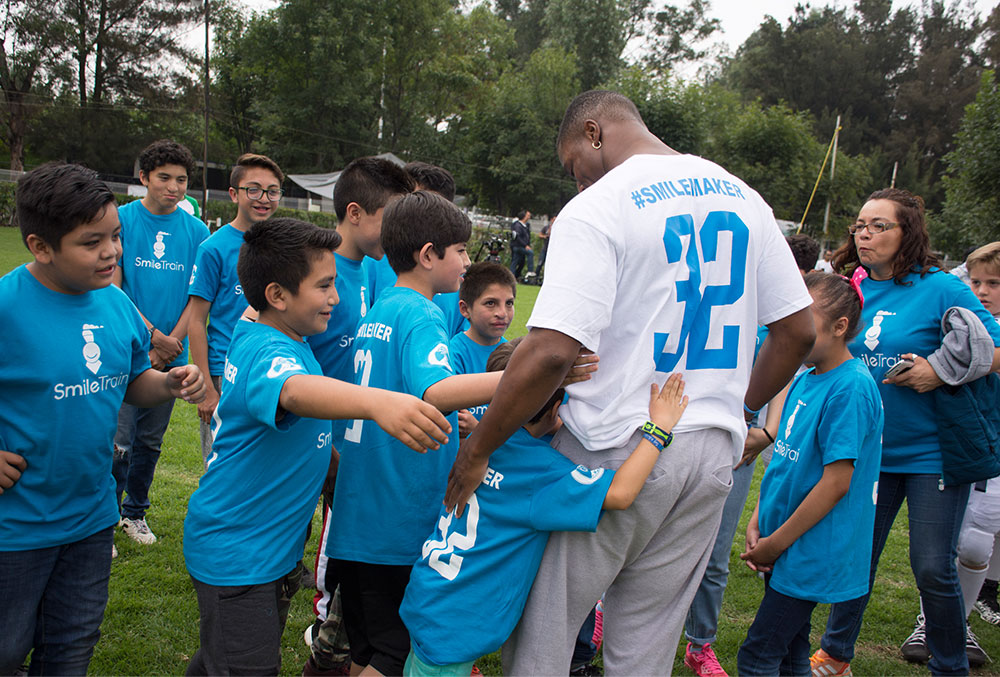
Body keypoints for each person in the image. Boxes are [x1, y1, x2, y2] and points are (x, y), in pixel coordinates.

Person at [444, 90, 816, 676]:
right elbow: (797, 332)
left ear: (594, 132)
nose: (576, 183)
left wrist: (479, 448)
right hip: (709, 450)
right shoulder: (745, 197)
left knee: (546, 627)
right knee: (645, 642)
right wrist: (732, 411)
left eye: (573, 165)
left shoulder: (601, 206)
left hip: (613, 444)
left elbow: (548, 351)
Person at [325, 191, 595, 675]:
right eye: (462, 252)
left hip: (358, 517)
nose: (468, 262)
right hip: (395, 521)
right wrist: (530, 377)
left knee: (367, 649)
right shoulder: (421, 313)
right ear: (429, 255)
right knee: (391, 657)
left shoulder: (381, 307)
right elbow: (437, 390)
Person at [182, 217, 452, 676]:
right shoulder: (266, 350)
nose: (336, 297)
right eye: (324, 286)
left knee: (218, 660)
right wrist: (379, 403)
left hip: (269, 553)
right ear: (278, 295)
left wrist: (336, 470)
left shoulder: (294, 339)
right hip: (237, 556)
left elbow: (300, 434)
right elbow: (293, 391)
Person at [0, 163, 206, 675]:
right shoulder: (6, 307)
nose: (112, 252)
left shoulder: (116, 304)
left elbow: (132, 378)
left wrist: (168, 383)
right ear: (40, 246)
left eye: (114, 236)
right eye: (92, 242)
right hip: (14, 529)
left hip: (91, 520)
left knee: (70, 651)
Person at [400, 338, 691, 676]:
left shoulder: (478, 444)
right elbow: (621, 494)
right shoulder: (540, 472)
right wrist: (659, 429)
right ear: (556, 408)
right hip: (457, 625)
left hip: (433, 597)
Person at [809, 189, 1000, 677]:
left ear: (907, 232)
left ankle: (950, 667)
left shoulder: (941, 288)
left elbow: (994, 351)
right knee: (857, 558)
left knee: (933, 567)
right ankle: (835, 654)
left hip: (932, 453)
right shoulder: (851, 285)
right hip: (868, 450)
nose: (864, 234)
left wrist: (939, 370)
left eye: (878, 226)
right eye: (860, 225)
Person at [736, 272, 883, 676]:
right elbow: (785, 462)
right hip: (785, 542)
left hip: (811, 549)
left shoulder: (850, 388)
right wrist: (759, 519)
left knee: (758, 655)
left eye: (805, 324)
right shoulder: (805, 376)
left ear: (839, 328)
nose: (793, 334)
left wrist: (775, 543)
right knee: (789, 654)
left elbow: (836, 483)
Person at [303, 156, 414, 677]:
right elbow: (276, 349)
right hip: (318, 448)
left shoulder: (374, 269)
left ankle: (340, 641)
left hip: (358, 445)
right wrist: (325, 446)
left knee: (353, 557)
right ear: (354, 213)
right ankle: (326, 640)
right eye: (391, 218)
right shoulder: (315, 269)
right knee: (325, 550)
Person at [112, 139, 211, 546]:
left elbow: (198, 301)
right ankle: (103, 519)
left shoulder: (198, 231)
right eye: (164, 178)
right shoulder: (121, 220)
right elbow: (112, 290)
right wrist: (152, 338)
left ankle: (134, 513)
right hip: (126, 350)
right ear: (143, 178)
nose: (173, 187)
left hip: (173, 354)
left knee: (150, 440)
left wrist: (171, 343)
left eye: (182, 180)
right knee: (116, 440)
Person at [188, 153, 283, 464]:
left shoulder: (284, 247)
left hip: (271, 368)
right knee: (223, 463)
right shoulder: (213, 248)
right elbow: (196, 320)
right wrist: (206, 389)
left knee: (267, 461)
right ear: (234, 194)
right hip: (223, 373)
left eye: (272, 191)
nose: (264, 199)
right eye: (253, 190)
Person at [450, 262, 517, 437]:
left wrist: (478, 429)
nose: (502, 312)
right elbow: (458, 423)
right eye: (490, 303)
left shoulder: (513, 354)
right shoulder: (453, 354)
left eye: (509, 303)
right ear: (465, 309)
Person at [509, 209, 533, 281]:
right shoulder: (518, 226)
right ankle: (530, 271)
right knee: (530, 253)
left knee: (516, 261)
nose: (529, 217)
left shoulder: (525, 226)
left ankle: (513, 276)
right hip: (518, 246)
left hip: (520, 246)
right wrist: (525, 245)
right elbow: (517, 237)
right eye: (528, 215)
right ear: (524, 216)